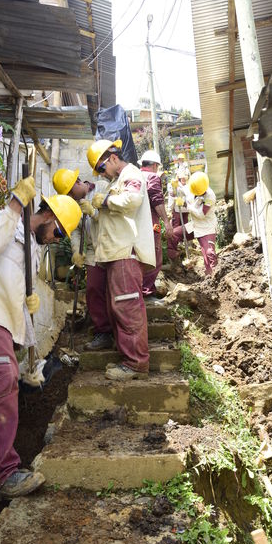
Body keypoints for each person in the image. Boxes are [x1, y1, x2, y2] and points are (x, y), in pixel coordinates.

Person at [0, 176, 82, 505]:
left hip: (2, 323)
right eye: (59, 233)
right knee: (1, 383)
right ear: (49, 217)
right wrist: (14, 203)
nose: (56, 240)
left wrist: (28, 309)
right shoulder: (5, 221)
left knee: (6, 384)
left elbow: (15, 286)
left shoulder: (34, 249)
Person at [86, 139, 155, 381]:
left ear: (113, 158)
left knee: (127, 308)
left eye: (102, 168)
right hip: (117, 254)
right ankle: (129, 359)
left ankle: (135, 365)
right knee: (119, 307)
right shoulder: (116, 180)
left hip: (127, 252)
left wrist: (104, 201)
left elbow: (132, 201)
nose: (102, 175)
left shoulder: (130, 173)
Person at [52, 168, 113, 350]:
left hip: (112, 247)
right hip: (93, 251)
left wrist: (94, 212)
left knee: (114, 291)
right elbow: (77, 229)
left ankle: (119, 331)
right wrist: (75, 251)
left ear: (78, 182)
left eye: (71, 192)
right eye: (67, 195)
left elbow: (114, 219)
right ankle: (103, 332)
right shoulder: (74, 204)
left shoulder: (103, 187)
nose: (70, 196)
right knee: (93, 290)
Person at [138, 150, 173, 301]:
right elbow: (157, 200)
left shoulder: (135, 176)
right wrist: (166, 221)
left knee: (139, 258)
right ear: (154, 165)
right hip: (150, 223)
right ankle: (146, 292)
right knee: (154, 257)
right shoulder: (152, 177)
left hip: (135, 225)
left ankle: (138, 291)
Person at [186, 171, 218, 275]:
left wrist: (190, 208)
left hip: (207, 226)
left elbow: (201, 214)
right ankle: (208, 273)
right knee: (204, 253)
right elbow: (187, 197)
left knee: (210, 253)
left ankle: (216, 274)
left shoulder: (210, 196)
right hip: (196, 226)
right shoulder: (193, 188)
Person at [167, 168, 193, 270]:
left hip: (188, 212)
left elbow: (188, 193)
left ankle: (184, 245)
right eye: (181, 178)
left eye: (184, 178)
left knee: (183, 229)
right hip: (178, 210)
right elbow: (172, 194)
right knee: (176, 229)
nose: (183, 179)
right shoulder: (173, 184)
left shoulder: (190, 186)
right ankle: (176, 252)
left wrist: (186, 203)